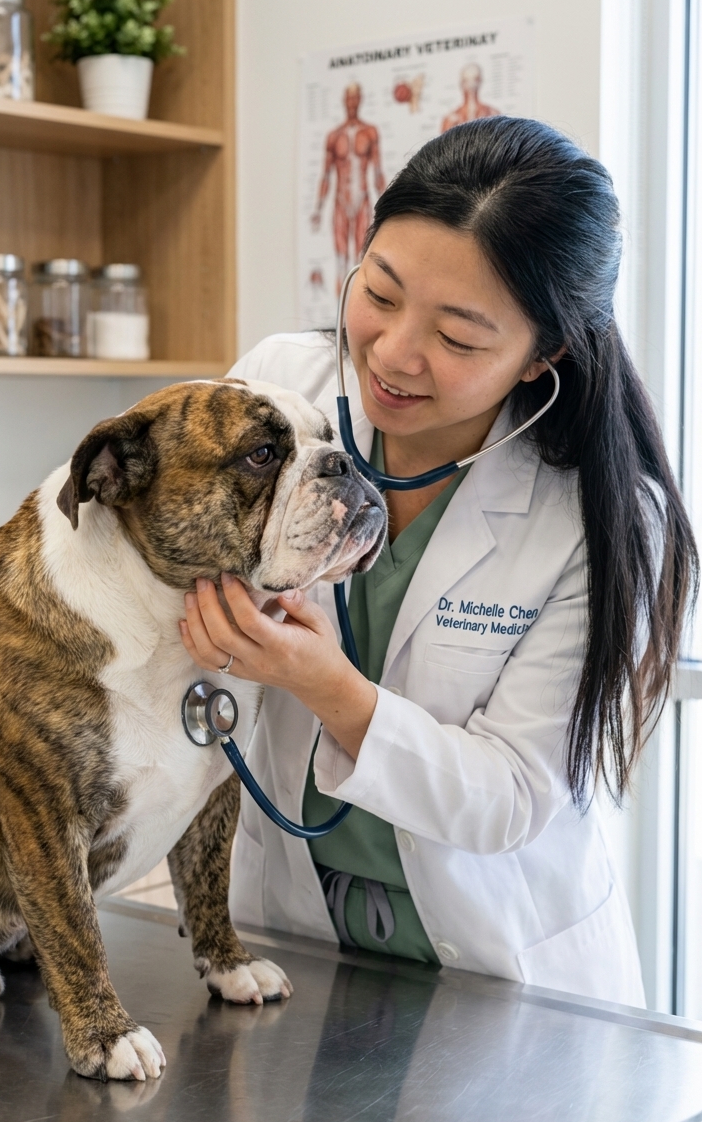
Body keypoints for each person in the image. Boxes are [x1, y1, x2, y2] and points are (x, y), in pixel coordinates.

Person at [179, 117, 697, 1005]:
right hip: (294, 932)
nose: (390, 354)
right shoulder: (280, 388)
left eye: (458, 339)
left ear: (545, 355)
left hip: (499, 969)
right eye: (379, 292)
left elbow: (506, 796)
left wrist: (327, 686)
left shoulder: (600, 519)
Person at [311, 83, 386, 295]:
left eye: (356, 97)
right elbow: (325, 174)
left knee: (361, 261)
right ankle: (339, 320)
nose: (352, 102)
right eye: (349, 98)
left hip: (362, 199)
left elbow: (378, 173)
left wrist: (389, 208)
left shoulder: (370, 132)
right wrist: (318, 208)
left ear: (360, 100)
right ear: (344, 100)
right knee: (341, 262)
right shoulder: (334, 136)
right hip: (340, 202)